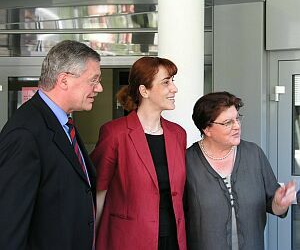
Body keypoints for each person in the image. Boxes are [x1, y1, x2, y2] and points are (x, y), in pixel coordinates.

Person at [0, 40, 103, 250]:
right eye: (93, 80)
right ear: (64, 80)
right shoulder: (25, 134)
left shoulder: (62, 124)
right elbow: (10, 226)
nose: (99, 88)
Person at [91, 57, 187, 250]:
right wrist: (92, 240)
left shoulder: (177, 134)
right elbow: (99, 192)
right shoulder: (115, 133)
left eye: (173, 81)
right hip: (128, 240)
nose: (174, 89)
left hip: (173, 240)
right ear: (144, 91)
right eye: (166, 82)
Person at [184, 91, 296, 250]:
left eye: (237, 119)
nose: (237, 126)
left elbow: (274, 204)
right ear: (207, 129)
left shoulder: (253, 154)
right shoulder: (187, 161)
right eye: (227, 122)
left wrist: (280, 203)